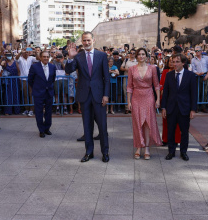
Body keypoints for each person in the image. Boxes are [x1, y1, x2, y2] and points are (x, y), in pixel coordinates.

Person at [65, 31, 110, 163]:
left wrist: (106, 95)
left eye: (88, 40)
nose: (86, 43)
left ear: (93, 40)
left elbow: (106, 78)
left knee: (102, 126)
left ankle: (105, 152)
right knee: (87, 126)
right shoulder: (78, 56)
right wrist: (70, 57)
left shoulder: (102, 55)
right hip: (84, 96)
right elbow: (68, 70)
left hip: (99, 96)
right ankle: (89, 152)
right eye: (84, 40)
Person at [127, 47, 162, 160]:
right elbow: (129, 87)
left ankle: (146, 147)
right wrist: (129, 101)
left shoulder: (152, 68)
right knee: (137, 123)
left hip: (149, 96)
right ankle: (138, 146)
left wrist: (158, 100)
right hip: (136, 97)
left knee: (147, 123)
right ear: (136, 56)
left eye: (143, 54)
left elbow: (156, 85)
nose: (141, 56)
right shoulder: (131, 69)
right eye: (139, 54)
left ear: (146, 56)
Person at [161, 53, 197, 161]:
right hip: (171, 108)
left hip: (184, 108)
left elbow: (193, 94)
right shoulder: (169, 75)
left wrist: (193, 109)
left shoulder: (190, 75)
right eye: (173, 61)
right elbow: (166, 93)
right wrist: (163, 108)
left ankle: (183, 151)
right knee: (170, 131)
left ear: (183, 63)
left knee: (184, 132)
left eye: (177, 62)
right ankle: (171, 151)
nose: (174, 64)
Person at [28, 51, 56, 138]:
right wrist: (37, 88)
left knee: (48, 112)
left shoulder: (52, 66)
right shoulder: (34, 67)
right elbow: (30, 80)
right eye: (44, 57)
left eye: (47, 57)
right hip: (38, 93)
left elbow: (53, 79)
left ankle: (47, 128)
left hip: (49, 93)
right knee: (39, 112)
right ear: (40, 57)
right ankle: (41, 130)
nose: (46, 58)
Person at [160, 56, 181, 146]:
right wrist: (162, 90)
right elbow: (161, 84)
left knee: (176, 121)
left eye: (173, 61)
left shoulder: (178, 73)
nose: (171, 63)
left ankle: (176, 140)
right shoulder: (165, 72)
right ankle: (165, 139)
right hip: (166, 98)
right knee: (165, 119)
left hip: (175, 99)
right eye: (170, 61)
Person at [15, 47, 39, 117]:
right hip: (23, 79)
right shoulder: (20, 58)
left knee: (31, 94)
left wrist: (36, 52)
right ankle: (26, 109)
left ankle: (31, 110)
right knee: (25, 95)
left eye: (27, 52)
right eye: (25, 52)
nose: (26, 53)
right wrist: (20, 52)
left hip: (31, 79)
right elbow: (16, 59)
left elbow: (38, 59)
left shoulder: (31, 58)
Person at [191, 46, 208, 113]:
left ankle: (203, 106)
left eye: (198, 51)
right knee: (197, 91)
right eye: (196, 51)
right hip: (197, 76)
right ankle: (196, 106)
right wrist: (197, 73)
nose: (197, 52)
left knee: (205, 92)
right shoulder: (193, 60)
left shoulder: (206, 58)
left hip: (205, 75)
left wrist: (207, 75)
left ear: (201, 51)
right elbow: (193, 69)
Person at [0, 51, 21, 115]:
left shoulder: (15, 63)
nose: (8, 56)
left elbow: (19, 71)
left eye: (9, 54)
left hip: (15, 80)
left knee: (16, 95)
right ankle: (7, 111)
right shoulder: (4, 62)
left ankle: (17, 111)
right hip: (8, 81)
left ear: (12, 55)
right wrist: (2, 58)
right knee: (7, 96)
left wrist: (19, 79)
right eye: (7, 55)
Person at [120, 48, 137, 114]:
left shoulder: (137, 61)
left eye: (133, 53)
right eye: (131, 53)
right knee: (126, 92)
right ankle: (127, 107)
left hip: (135, 79)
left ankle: (133, 107)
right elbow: (121, 68)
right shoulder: (126, 60)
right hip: (126, 78)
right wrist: (126, 69)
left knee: (134, 93)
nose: (132, 54)